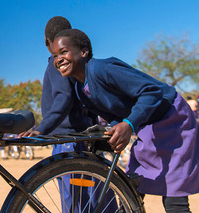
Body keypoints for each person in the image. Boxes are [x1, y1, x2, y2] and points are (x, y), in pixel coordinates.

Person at [51, 28, 199, 213]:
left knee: (174, 197)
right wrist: (114, 129)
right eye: (55, 55)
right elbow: (114, 117)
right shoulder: (82, 92)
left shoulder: (101, 69)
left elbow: (152, 92)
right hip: (147, 124)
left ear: (83, 52)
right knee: (132, 187)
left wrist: (129, 124)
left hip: (172, 118)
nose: (58, 59)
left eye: (63, 52)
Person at [20, 16, 98, 212]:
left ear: (46, 42)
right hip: (85, 138)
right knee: (89, 200)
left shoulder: (56, 63)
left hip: (68, 141)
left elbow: (63, 99)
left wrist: (42, 129)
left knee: (74, 203)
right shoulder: (80, 61)